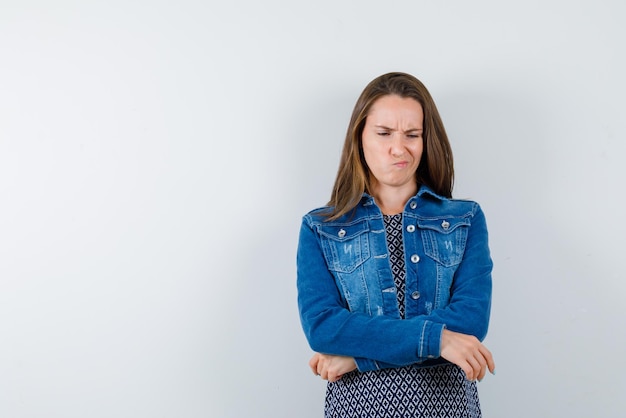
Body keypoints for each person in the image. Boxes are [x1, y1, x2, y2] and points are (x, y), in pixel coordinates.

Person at [296, 72, 495, 417]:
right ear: (360, 137)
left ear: (425, 139)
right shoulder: (321, 228)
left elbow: (470, 321)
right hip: (358, 409)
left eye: (412, 134)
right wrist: (440, 340)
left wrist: (359, 357)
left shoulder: (465, 220)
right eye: (384, 133)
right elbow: (323, 327)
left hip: (447, 408)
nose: (398, 148)